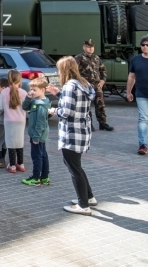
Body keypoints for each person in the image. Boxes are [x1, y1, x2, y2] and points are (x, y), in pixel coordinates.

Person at [47, 56, 97, 215]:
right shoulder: (83, 83)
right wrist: (58, 94)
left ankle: (83, 205)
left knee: (74, 167)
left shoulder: (70, 85)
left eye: (58, 69)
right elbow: (77, 102)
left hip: (71, 132)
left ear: (64, 70)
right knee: (76, 165)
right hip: (82, 131)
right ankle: (88, 197)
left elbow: (66, 112)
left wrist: (53, 111)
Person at [75, 39, 113, 131]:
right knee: (87, 106)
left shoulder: (96, 58)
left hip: (97, 85)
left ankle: (103, 123)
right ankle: (89, 124)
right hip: (85, 85)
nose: (90, 48)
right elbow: (74, 71)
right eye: (88, 47)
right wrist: (80, 82)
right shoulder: (78, 58)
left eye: (92, 47)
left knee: (100, 104)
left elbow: (103, 70)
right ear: (84, 47)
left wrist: (102, 81)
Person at [22, 78, 52, 186]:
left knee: (37, 156)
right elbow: (24, 107)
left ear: (43, 90)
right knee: (42, 154)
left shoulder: (41, 105)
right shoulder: (35, 101)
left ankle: (36, 178)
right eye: (31, 89)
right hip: (37, 134)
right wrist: (28, 98)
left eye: (34, 90)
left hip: (38, 135)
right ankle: (44, 177)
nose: (32, 92)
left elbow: (40, 123)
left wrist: (36, 137)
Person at [0, 70, 27, 173]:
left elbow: (1, 107)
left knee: (10, 143)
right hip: (21, 120)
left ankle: (12, 165)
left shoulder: (4, 92)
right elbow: (27, 107)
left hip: (9, 120)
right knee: (20, 142)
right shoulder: (24, 93)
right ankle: (21, 163)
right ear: (19, 79)